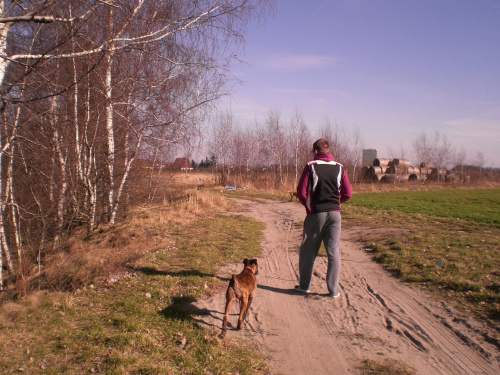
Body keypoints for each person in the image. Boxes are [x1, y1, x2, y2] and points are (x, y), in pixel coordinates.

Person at [295, 139, 352, 297]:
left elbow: (301, 192)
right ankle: (334, 290)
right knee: (333, 251)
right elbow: (348, 193)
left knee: (308, 250)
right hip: (335, 214)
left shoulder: (311, 166)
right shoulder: (340, 168)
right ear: (328, 151)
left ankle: (305, 286)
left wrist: (308, 206)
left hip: (316, 213)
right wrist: (335, 202)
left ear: (315, 151)